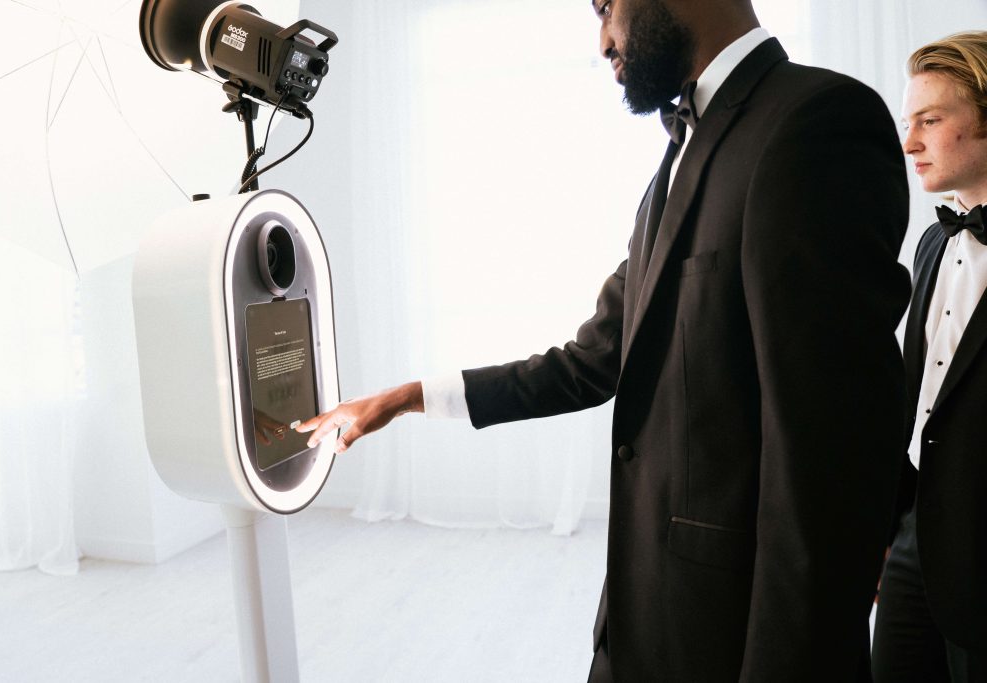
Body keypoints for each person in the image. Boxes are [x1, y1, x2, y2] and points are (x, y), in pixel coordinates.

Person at [301, 0, 912, 679]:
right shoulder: (671, 169)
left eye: (605, 7)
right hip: (642, 614)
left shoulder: (817, 122)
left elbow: (828, 454)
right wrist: (410, 396)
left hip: (732, 633)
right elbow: (591, 360)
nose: (602, 43)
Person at [872, 31, 987, 682]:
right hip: (915, 540)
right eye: (906, 122)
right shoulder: (930, 246)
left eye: (931, 121)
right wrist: (892, 529)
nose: (909, 142)